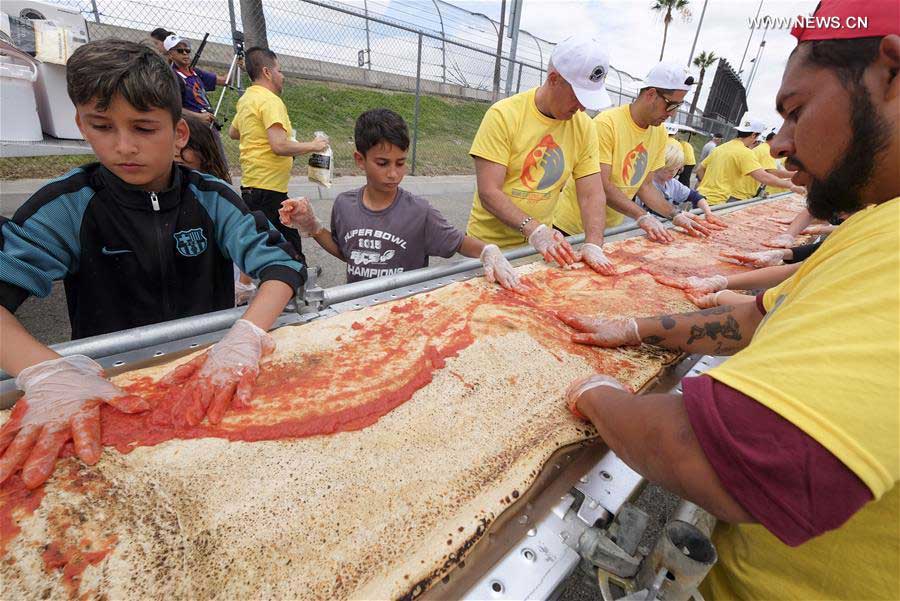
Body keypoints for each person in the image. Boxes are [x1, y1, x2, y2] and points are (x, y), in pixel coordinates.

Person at [558, 1, 900, 597]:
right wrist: (638, 329)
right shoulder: (878, 227)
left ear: (891, 74)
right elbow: (755, 318)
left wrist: (596, 395)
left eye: (795, 111)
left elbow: (716, 458)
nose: (777, 146)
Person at [0, 39, 308, 490]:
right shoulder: (65, 208)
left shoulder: (212, 199)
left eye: (144, 129)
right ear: (81, 126)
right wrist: (45, 371)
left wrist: (246, 336)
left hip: (208, 371)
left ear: (179, 132)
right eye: (103, 126)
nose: (124, 146)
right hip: (107, 388)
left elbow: (282, 265)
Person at [279, 109, 523, 291]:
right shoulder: (344, 204)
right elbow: (349, 254)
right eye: (382, 163)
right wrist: (314, 227)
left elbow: (459, 243)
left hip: (404, 310)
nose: (394, 173)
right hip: (357, 307)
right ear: (360, 160)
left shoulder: (419, 211)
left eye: (401, 162)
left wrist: (487, 251)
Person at [464, 33, 615, 276]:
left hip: (538, 251)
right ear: (554, 79)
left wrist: (593, 243)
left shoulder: (584, 126)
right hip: (488, 249)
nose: (582, 107)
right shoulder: (504, 115)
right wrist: (534, 230)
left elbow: (592, 193)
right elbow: (489, 192)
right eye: (578, 96)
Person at [554, 62, 713, 244]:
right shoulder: (607, 124)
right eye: (670, 105)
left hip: (609, 228)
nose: (672, 114)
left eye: (678, 106)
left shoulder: (659, 132)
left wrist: (674, 214)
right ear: (651, 94)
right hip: (571, 228)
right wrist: (642, 215)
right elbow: (601, 185)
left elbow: (645, 186)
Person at [229, 46, 329, 264]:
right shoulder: (271, 100)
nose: (282, 76)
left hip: (253, 184)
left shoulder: (247, 99)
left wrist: (255, 133)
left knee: (268, 237)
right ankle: (297, 280)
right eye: (280, 71)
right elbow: (279, 146)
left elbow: (234, 132)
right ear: (267, 72)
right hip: (268, 187)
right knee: (288, 240)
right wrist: (313, 145)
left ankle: (273, 278)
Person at [177, 114, 257, 305]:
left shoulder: (220, 194)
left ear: (204, 152)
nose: (175, 150)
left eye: (185, 144)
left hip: (222, 288)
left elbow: (248, 239)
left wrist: (243, 284)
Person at [694, 115, 802, 204]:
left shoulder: (722, 147)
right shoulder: (745, 152)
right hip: (716, 201)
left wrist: (707, 186)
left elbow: (700, 169)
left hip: (700, 196)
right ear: (754, 134)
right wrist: (790, 185)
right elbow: (765, 177)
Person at [164, 34, 230, 169]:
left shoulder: (195, 73)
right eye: (179, 51)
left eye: (187, 50)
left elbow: (225, 81)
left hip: (209, 126)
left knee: (218, 165)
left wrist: (238, 66)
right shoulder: (172, 77)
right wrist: (198, 117)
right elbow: (172, 107)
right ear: (171, 55)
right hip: (192, 127)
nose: (185, 53)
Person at [637, 142, 726, 227]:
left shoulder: (672, 183)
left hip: (666, 224)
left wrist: (708, 212)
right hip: (645, 226)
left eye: (676, 169)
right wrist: (691, 216)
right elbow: (658, 211)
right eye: (668, 170)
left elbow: (694, 196)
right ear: (657, 166)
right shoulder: (648, 185)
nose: (673, 173)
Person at [752, 129, 795, 196]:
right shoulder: (767, 151)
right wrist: (796, 175)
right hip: (741, 192)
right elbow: (773, 173)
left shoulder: (763, 148)